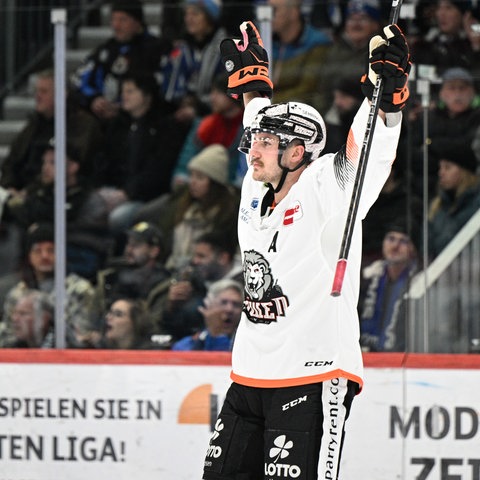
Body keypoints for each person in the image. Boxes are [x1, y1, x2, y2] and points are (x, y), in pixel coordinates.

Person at [200, 20, 409, 479]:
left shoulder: (325, 187)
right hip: (249, 373)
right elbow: (259, 115)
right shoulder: (257, 187)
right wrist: (253, 82)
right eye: (253, 142)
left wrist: (385, 98)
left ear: (297, 153)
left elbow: (368, 153)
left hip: (314, 374)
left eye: (266, 144)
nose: (253, 151)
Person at [91, 71, 190, 234]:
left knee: (117, 217)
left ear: (146, 95)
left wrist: (127, 193)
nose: (124, 96)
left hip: (148, 198)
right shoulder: (118, 126)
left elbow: (158, 169)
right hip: (115, 190)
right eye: (123, 91)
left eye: (130, 91)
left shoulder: (165, 128)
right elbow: (104, 160)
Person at [3, 141, 111, 281]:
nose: (45, 168)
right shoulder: (39, 194)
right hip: (31, 268)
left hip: (74, 268)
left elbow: (93, 237)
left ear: (73, 167)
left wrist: (48, 232)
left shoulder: (90, 199)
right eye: (44, 163)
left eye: (53, 163)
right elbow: (22, 217)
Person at [134, 143, 240, 270]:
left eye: (200, 177)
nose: (193, 182)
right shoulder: (182, 204)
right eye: (192, 175)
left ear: (214, 183)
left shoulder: (227, 216)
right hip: (169, 268)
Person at [0, 68, 103, 193]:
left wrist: (29, 192)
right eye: (36, 91)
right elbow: (11, 161)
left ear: (62, 94)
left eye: (44, 91)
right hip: (23, 193)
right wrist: (9, 186)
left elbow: (68, 164)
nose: (38, 96)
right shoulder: (34, 125)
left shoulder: (82, 124)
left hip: (60, 194)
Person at [0, 223, 98, 348]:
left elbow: (83, 336)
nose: (45, 256)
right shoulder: (17, 294)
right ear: (29, 256)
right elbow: (7, 337)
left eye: (51, 250)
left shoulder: (80, 290)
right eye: (37, 251)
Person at [70, 0, 171, 121]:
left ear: (137, 22)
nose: (116, 26)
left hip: (146, 120)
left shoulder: (157, 48)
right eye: (113, 19)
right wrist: (94, 100)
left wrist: (124, 106)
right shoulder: (107, 49)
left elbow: (163, 86)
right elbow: (80, 78)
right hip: (106, 120)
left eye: (122, 20)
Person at [171, 72, 245, 188]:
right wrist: (182, 177)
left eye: (218, 93)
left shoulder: (247, 128)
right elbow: (186, 160)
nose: (212, 97)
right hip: (198, 187)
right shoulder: (204, 125)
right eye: (212, 92)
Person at [94, 221, 172, 331]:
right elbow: (94, 314)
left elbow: (155, 324)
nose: (129, 250)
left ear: (154, 251)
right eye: (128, 244)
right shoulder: (110, 275)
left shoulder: (163, 283)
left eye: (136, 245)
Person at [161, 0, 227, 123]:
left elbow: (226, 93)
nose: (189, 19)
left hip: (213, 116)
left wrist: (198, 108)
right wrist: (183, 101)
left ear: (210, 18)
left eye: (195, 14)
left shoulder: (225, 49)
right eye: (187, 14)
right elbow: (169, 87)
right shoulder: (181, 49)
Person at [359, 219, 420, 352]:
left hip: (400, 357)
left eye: (403, 241)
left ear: (413, 249)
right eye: (391, 239)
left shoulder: (419, 284)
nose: (395, 246)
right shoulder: (367, 277)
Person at [315, 0, 383, 114]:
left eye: (363, 18)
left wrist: (354, 102)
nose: (356, 24)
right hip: (334, 112)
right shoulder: (335, 50)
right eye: (351, 19)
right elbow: (323, 88)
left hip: (369, 113)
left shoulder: (381, 50)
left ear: (375, 24)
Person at [268, 0, 332, 111]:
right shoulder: (268, 42)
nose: (268, 16)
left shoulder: (317, 44)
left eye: (274, 10)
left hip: (301, 112)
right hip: (270, 110)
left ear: (293, 12)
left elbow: (306, 90)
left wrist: (267, 102)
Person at [427, 142, 480, 259]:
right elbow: (427, 248)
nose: (441, 173)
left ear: (464, 171)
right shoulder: (436, 207)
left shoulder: (476, 204)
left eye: (447, 167)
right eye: (440, 167)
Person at [411, 0, 480, 83]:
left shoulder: (471, 45)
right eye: (439, 8)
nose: (441, 13)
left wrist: (476, 44)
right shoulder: (424, 45)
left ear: (464, 15)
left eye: (448, 8)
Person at [172, 278, 243, 351]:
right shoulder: (187, 345)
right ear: (208, 305)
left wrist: (217, 335)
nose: (229, 309)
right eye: (223, 302)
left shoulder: (247, 345)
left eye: (236, 304)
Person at [92, 297, 157, 349]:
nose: (108, 317)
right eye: (110, 312)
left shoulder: (150, 352)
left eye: (118, 314)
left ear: (135, 322)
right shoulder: (97, 348)